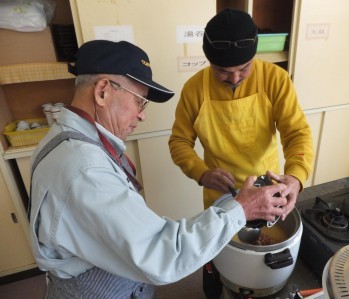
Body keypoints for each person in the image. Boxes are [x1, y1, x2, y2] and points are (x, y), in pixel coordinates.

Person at [28, 39, 288, 299]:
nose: (142, 115)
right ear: (103, 91)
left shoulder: (62, 138)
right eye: (140, 101)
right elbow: (163, 254)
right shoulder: (86, 170)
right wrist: (241, 209)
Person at [168, 8, 314, 298]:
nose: (234, 78)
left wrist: (296, 178)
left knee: (260, 264)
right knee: (217, 264)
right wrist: (202, 173)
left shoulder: (275, 80)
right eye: (223, 71)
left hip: (268, 193)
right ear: (209, 61)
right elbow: (179, 142)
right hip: (221, 198)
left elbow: (297, 134)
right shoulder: (194, 89)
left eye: (244, 69)